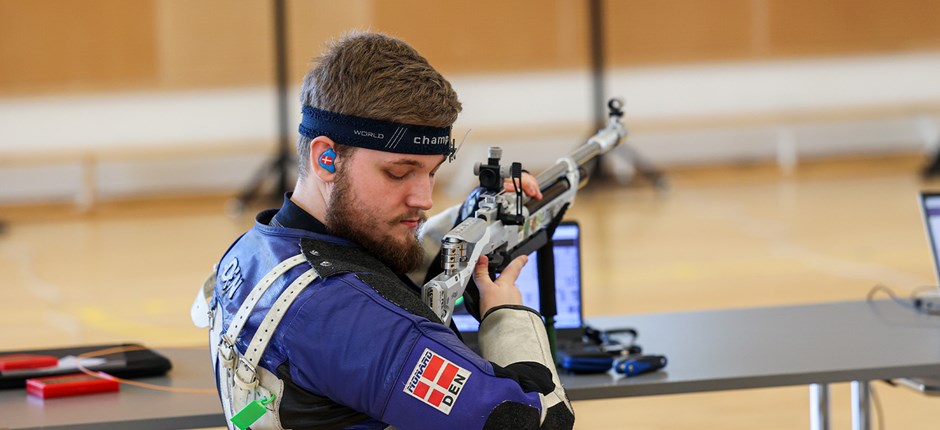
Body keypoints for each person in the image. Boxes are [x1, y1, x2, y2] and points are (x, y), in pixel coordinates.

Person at [192, 31, 573, 430]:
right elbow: (540, 419)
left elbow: (368, 266)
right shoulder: (359, 322)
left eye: (431, 172)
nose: (424, 198)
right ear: (326, 158)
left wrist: (475, 214)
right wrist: (505, 315)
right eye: (399, 172)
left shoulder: (253, 250)